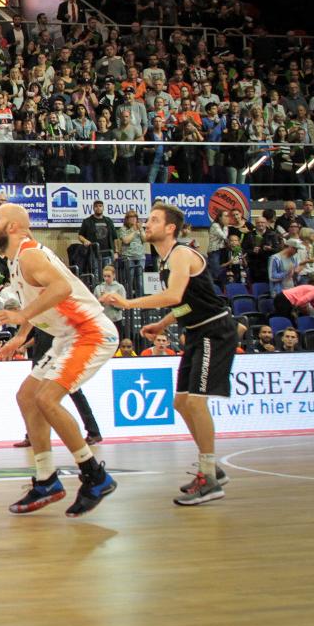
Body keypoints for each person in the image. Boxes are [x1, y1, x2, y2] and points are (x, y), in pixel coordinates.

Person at [0, 204, 120, 517]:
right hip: (67, 336)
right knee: (27, 397)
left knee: (47, 398)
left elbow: (61, 287)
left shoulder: (30, 254)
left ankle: (94, 476)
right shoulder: (16, 259)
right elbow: (40, 299)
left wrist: (22, 315)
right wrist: (20, 335)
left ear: (13, 227)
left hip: (90, 332)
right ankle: (47, 480)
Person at [101, 201, 237, 506]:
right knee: (180, 401)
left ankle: (209, 478)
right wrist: (163, 322)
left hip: (215, 331)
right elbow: (185, 303)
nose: (147, 225)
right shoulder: (166, 262)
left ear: (170, 228)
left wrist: (128, 304)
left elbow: (174, 296)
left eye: (153, 220)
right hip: (197, 331)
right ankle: (210, 466)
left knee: (195, 401)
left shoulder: (181, 255)